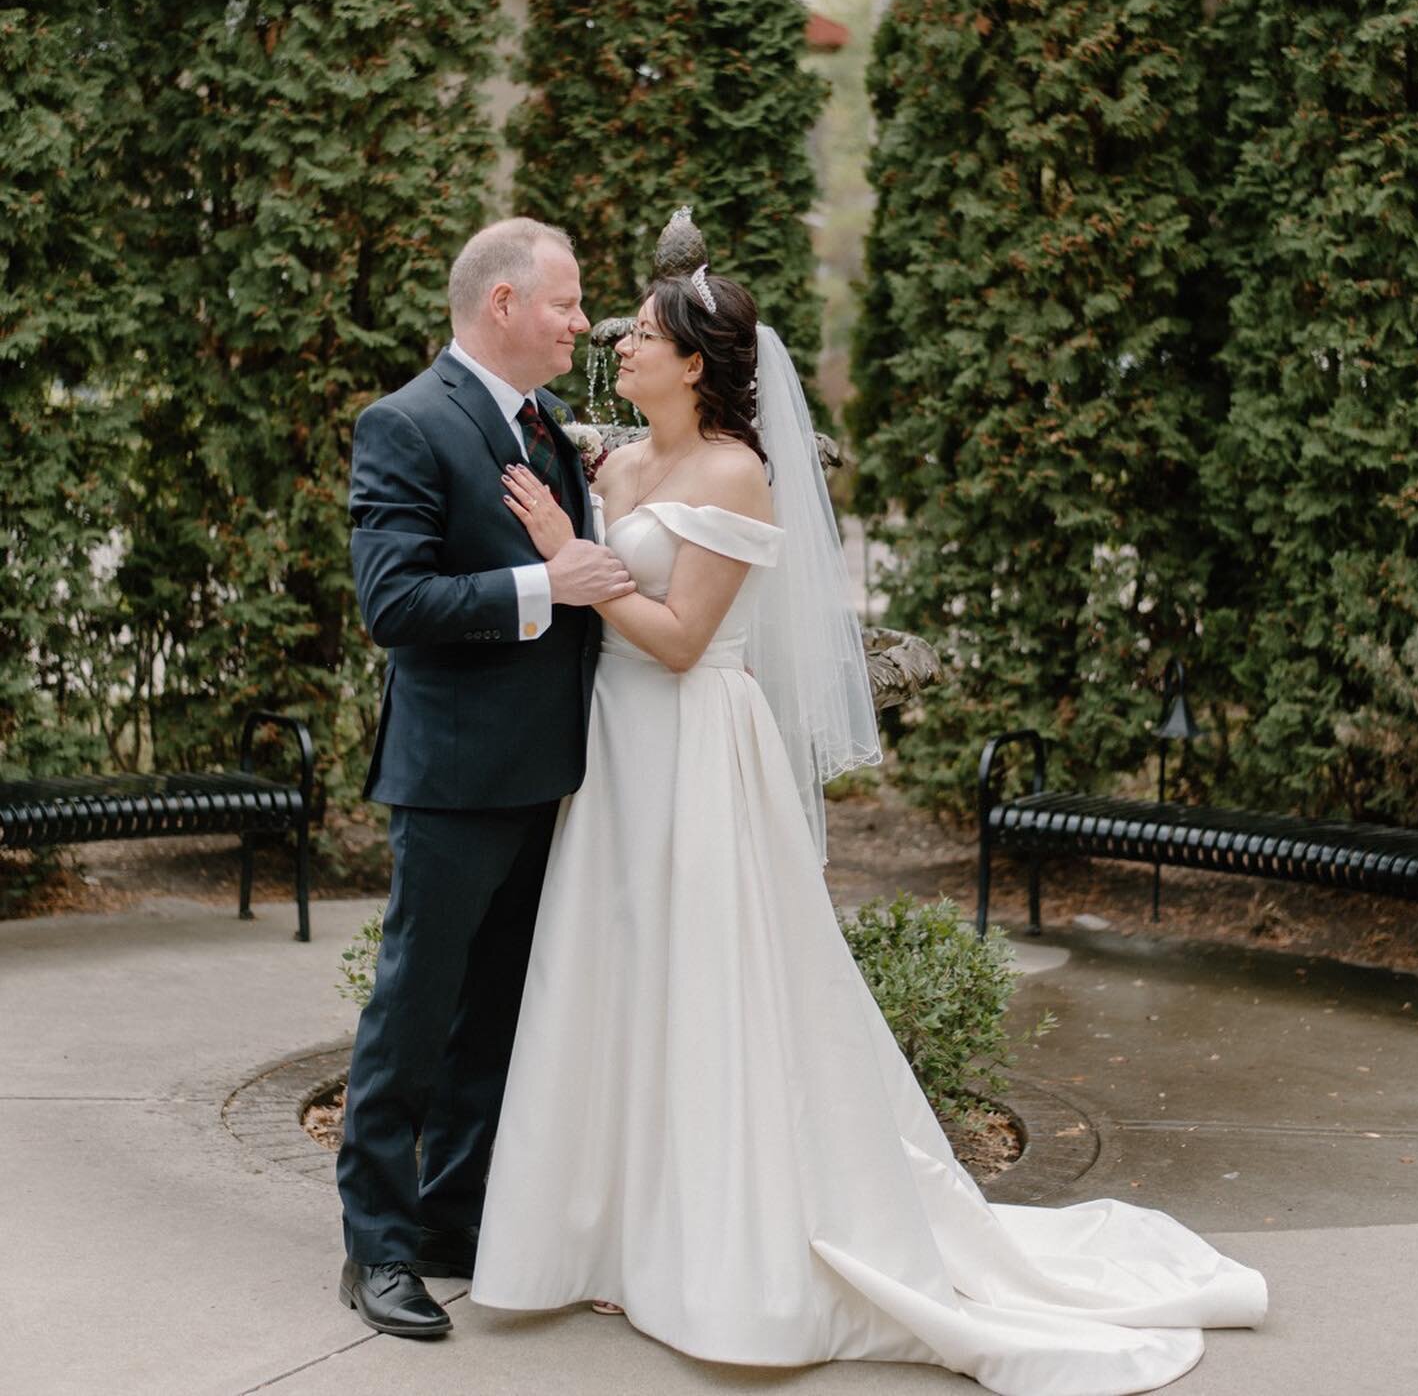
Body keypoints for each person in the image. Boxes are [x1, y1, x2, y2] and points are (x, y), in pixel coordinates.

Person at [470, 267, 1268, 1396]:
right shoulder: (621, 458)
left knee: (707, 982)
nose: (622, 348)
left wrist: (569, 553)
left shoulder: (738, 471)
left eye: (643, 336)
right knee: (617, 973)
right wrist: (579, 508)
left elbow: (685, 638)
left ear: (697, 363)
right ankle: (612, 1235)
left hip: (694, 742)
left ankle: (713, 1245)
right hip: (615, 754)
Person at [336, 218, 636, 1338]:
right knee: (414, 1012)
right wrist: (543, 586)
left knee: (496, 1015)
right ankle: (375, 1249)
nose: (579, 322)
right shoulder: (406, 424)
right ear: (503, 304)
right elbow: (393, 603)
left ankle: (453, 1217)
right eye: (564, 302)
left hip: (551, 772)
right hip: (455, 776)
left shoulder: (551, 424)